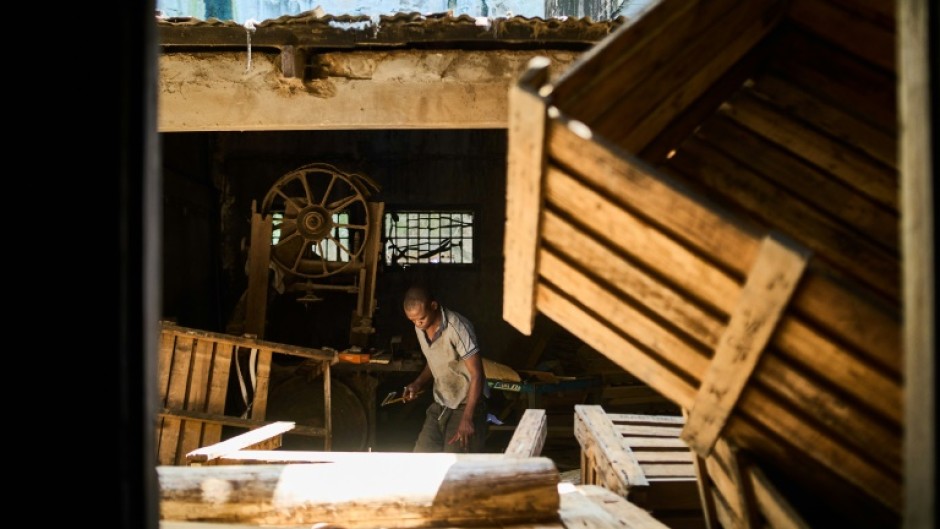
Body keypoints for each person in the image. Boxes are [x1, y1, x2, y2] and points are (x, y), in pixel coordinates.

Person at [401, 285, 488, 453]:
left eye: (421, 318)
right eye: (413, 321)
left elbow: (477, 374)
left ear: (434, 306)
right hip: (442, 403)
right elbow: (434, 360)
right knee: (421, 457)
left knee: (454, 464)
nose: (418, 324)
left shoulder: (458, 327)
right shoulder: (420, 328)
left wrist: (468, 418)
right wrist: (417, 383)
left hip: (467, 404)